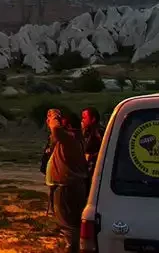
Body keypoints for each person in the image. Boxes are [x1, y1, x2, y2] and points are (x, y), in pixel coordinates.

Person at [46, 109, 89, 253]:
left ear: (68, 125)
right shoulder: (76, 138)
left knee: (68, 226)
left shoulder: (70, 139)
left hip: (67, 188)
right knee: (73, 224)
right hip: (74, 186)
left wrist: (53, 116)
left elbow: (56, 130)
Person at [81, 107, 104, 188]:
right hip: (86, 170)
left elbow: (105, 150)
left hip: (95, 169)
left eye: (84, 117)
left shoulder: (99, 133)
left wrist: (91, 157)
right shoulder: (86, 131)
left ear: (93, 119)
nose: (82, 120)